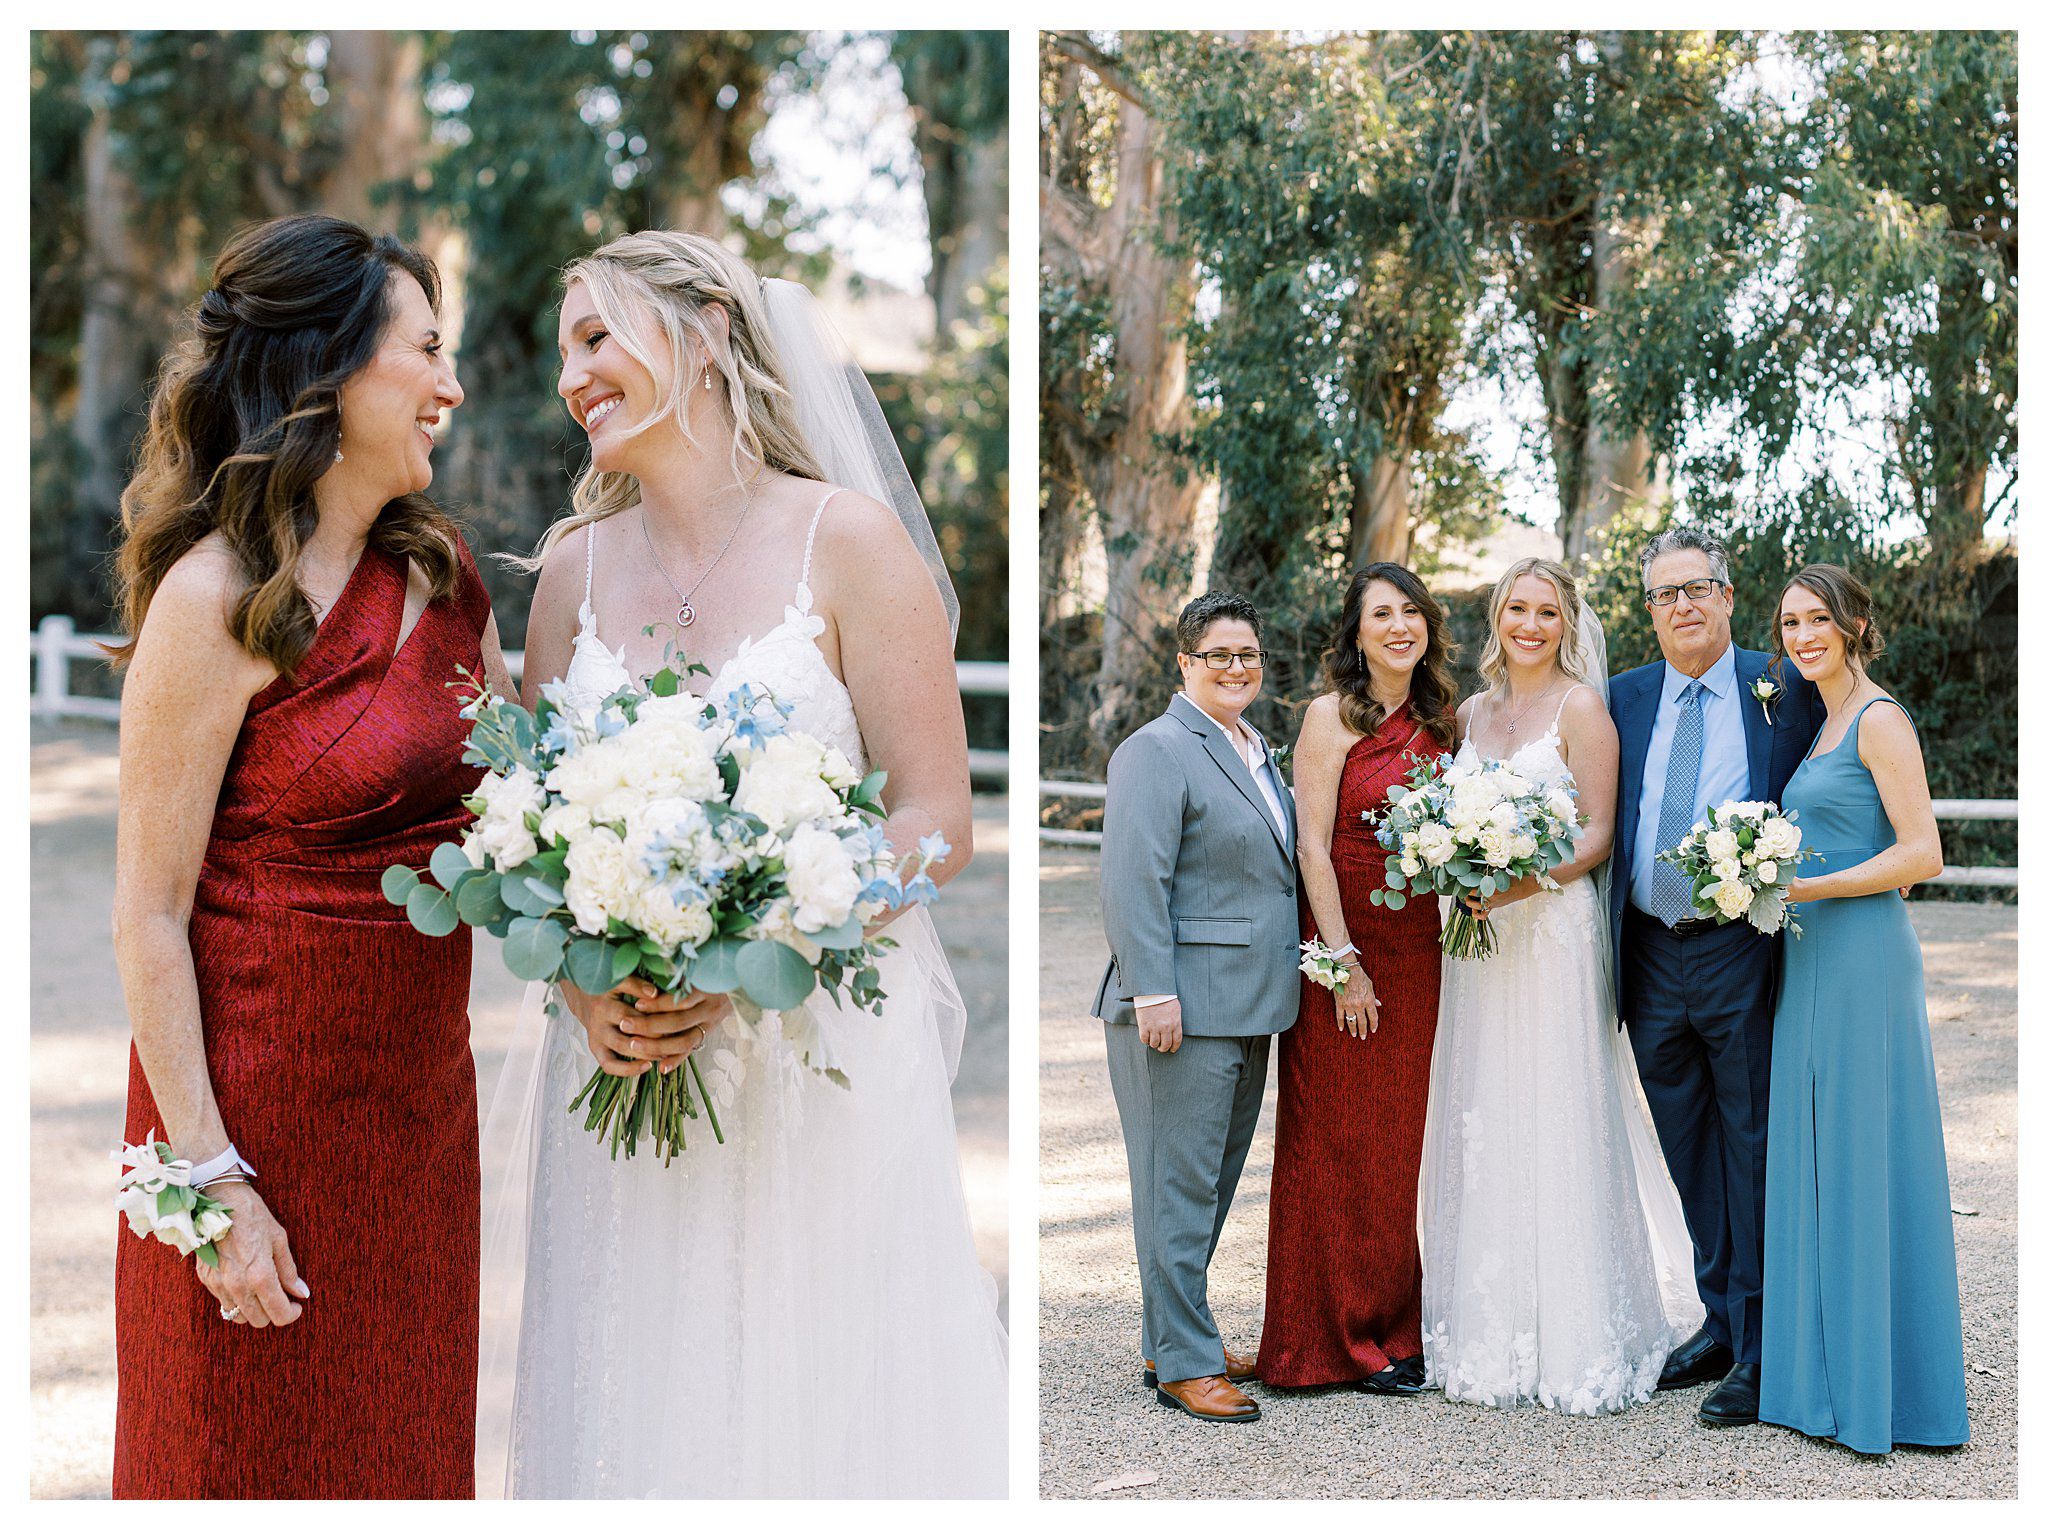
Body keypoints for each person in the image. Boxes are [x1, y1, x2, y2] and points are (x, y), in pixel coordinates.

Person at [484, 230, 1006, 1497]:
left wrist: (764, 949)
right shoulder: (569, 573)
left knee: (817, 1402)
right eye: (565, 351)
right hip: (620, 1058)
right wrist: (583, 990)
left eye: (598, 335)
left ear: (709, 328)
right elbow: (534, 840)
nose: (573, 374)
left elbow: (935, 815)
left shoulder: (851, 542)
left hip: (812, 1059)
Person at [107, 214, 506, 1496]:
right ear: (330, 369)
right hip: (249, 1122)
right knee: (237, 1461)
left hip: (416, 1127)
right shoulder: (214, 598)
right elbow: (148, 915)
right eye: (427, 353)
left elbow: (526, 829)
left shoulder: (448, 585)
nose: (451, 387)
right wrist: (213, 1181)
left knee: (402, 1457)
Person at [1417, 558, 1701, 1413]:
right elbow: (1439, 820)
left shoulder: (1583, 708)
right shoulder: (1469, 712)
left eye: (1546, 611)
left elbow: (1599, 836)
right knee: (1486, 1109)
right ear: (1497, 616)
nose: (1530, 625)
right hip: (1478, 943)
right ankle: (1489, 1329)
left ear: (1566, 621)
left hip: (1552, 935)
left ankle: (1582, 1333)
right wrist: (1453, 863)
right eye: (1516, 609)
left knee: (1557, 1106)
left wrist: (1508, 883)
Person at [1607, 527, 1824, 1426]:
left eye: (1698, 588)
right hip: (1651, 949)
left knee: (1753, 1141)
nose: (1683, 606)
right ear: (1649, 608)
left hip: (1742, 946)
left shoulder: (1787, 692)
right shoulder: (1620, 698)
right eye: (1665, 593)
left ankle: (1768, 1346)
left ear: (1730, 597)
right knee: (1688, 1144)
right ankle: (1721, 1320)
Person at [1759, 565, 1968, 1454]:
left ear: (1852, 623)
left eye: (1817, 620)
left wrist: (1812, 885)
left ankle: (1889, 1391)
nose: (1803, 635)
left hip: (1864, 954)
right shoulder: (1820, 720)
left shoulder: (1879, 719)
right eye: (1790, 623)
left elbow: (1924, 853)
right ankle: (1820, 1378)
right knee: (1814, 1152)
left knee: (1863, 1152)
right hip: (1811, 957)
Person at [1094, 592, 1299, 1424]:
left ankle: (1172, 1335)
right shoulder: (1156, 750)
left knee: (1210, 1186)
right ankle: (1185, 1362)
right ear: (1183, 663)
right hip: (1178, 1007)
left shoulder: (1252, 748)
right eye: (1218, 655)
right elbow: (1133, 879)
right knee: (1176, 1188)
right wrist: (1154, 990)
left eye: (1248, 653)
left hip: (1252, 1004)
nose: (1237, 667)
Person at [1257, 564, 1454, 1396]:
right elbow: (1309, 846)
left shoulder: (1445, 723)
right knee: (1335, 1138)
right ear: (1357, 630)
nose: (1399, 625)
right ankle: (1326, 1341)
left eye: (1411, 611)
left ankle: (1393, 1327)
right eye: (1382, 613)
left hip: (1419, 946)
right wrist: (1343, 967)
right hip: (1344, 942)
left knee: (1395, 1145)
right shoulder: (1329, 717)